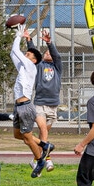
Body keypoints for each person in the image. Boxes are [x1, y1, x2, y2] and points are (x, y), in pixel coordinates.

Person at [10, 24, 54, 178]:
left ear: (34, 60)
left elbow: (16, 51)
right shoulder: (23, 67)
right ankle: (44, 144)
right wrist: (18, 38)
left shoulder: (31, 66)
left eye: (28, 54)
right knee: (17, 135)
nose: (25, 55)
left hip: (26, 107)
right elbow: (12, 53)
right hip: (18, 106)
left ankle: (40, 160)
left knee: (28, 138)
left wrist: (18, 36)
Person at [25, 28, 63, 173]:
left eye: (49, 53)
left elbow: (56, 55)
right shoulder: (39, 66)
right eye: (45, 52)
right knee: (42, 129)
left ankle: (36, 160)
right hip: (40, 103)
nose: (47, 53)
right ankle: (47, 160)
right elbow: (33, 54)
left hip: (53, 105)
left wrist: (49, 44)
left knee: (43, 136)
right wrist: (29, 40)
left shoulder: (57, 67)